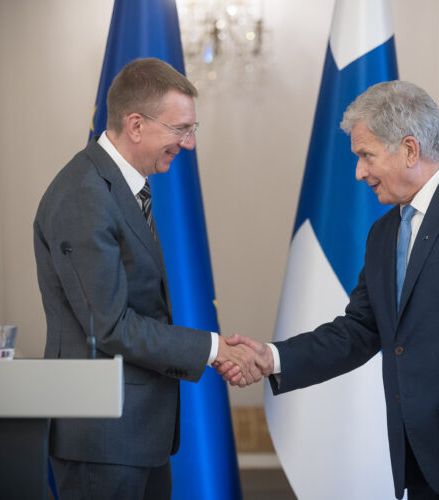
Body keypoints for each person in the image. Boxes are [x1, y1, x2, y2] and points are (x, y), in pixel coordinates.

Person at [219, 81, 439, 499]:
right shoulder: (384, 233)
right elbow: (359, 330)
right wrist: (270, 358)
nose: (359, 172)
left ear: (410, 150)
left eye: (366, 155)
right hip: (419, 462)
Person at [33, 58, 261, 500]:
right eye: (181, 129)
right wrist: (214, 349)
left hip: (133, 434)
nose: (189, 144)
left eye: (193, 129)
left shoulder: (118, 186)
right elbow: (111, 325)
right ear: (136, 124)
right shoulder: (85, 194)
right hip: (102, 436)